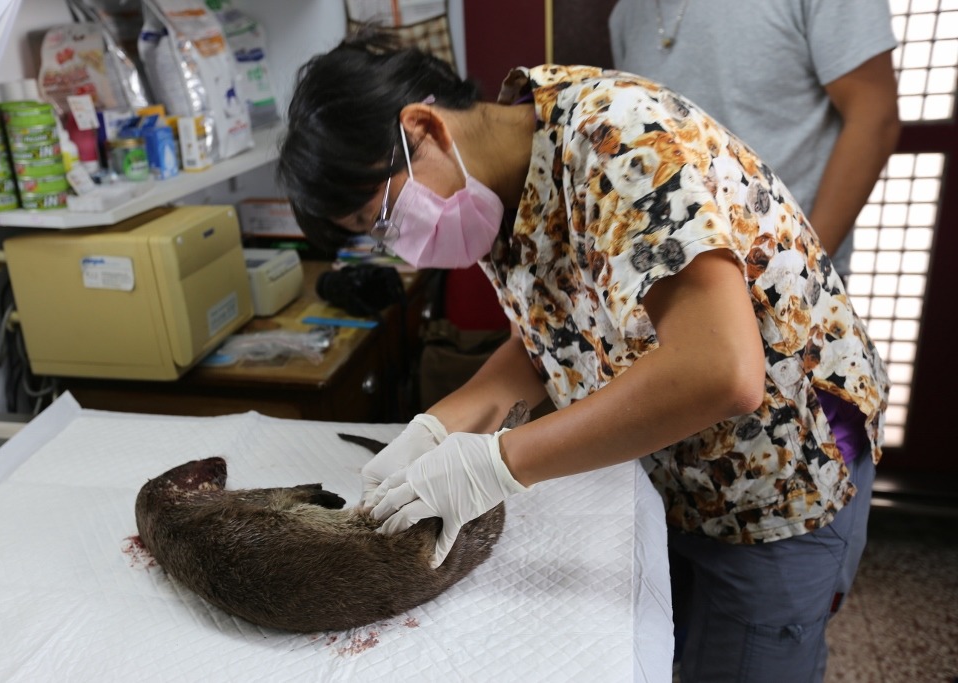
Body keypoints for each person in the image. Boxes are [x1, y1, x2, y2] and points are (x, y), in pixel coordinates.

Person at [277, 30, 889, 682]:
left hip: (776, 473)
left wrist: (499, 463)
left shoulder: (617, 136)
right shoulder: (500, 189)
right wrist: (440, 426)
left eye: (384, 217)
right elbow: (552, 337)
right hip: (676, 466)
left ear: (423, 126)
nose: (398, 245)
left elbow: (721, 369)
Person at [608, 0, 900, 281]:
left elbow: (874, 117)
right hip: (669, 280)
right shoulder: (625, 14)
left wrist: (802, 273)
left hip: (785, 277)